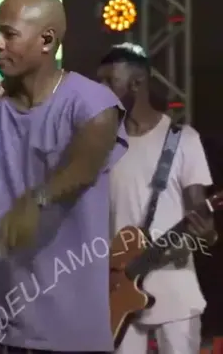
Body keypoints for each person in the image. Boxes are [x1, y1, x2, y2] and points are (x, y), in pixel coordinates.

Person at [0, 0, 128, 353]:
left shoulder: (93, 103)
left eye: (8, 34)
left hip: (67, 323)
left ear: (46, 40)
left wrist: (37, 200)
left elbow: (84, 166)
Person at [98, 43, 217, 354]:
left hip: (175, 292)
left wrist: (208, 233)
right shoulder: (104, 146)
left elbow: (200, 214)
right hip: (117, 294)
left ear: (137, 83)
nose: (101, 89)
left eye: (110, 81)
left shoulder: (183, 139)